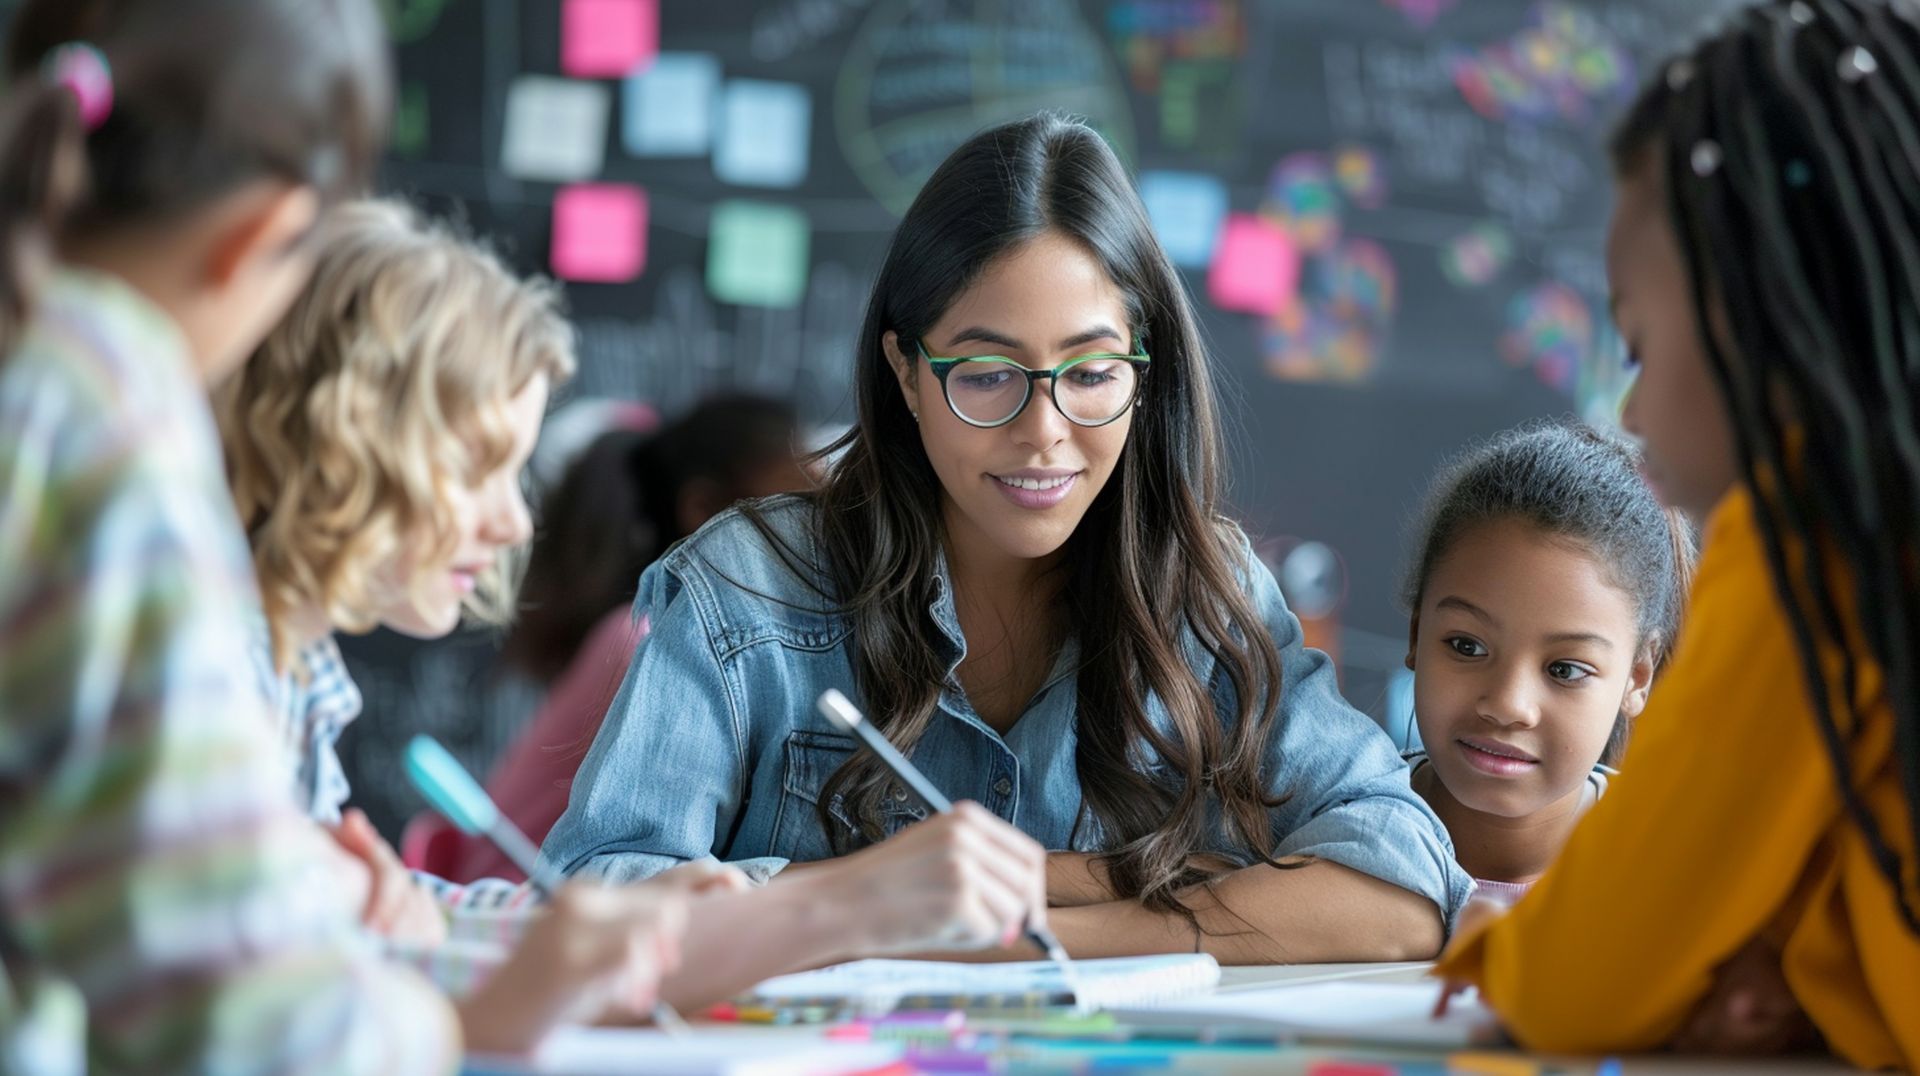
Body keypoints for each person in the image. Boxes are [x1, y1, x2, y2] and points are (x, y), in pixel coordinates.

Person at [543, 113, 1471, 979]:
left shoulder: (1206, 593)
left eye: (1093, 373)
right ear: (906, 372)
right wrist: (868, 898)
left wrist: (1027, 910)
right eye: (987, 376)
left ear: (1144, 376)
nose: (1044, 432)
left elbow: (1403, 883)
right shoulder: (746, 590)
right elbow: (590, 903)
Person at [1436, 3, 1920, 1067]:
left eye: (1644, 344)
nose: (1638, 412)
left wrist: (1507, 953)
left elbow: (1579, 985)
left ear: (1757, 314)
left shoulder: (1815, 531)